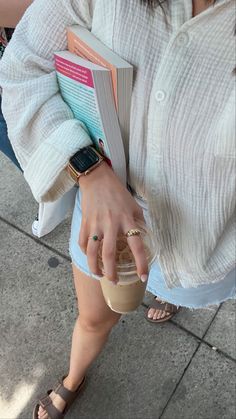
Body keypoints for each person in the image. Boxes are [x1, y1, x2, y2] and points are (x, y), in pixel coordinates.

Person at [0, 0, 235, 417]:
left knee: (170, 283)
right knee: (93, 318)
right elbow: (25, 65)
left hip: (207, 240)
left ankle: (170, 294)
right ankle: (74, 376)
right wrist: (87, 168)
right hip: (102, 216)